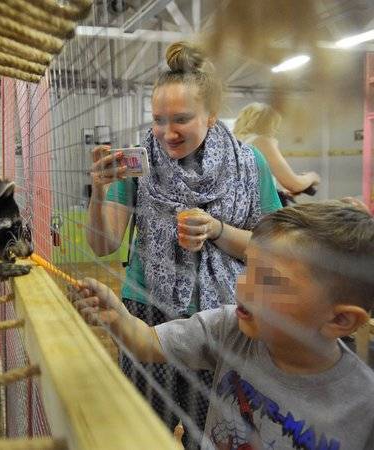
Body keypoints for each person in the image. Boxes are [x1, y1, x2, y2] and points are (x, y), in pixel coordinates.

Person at [86, 41, 281, 436]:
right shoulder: (139, 162)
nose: (166, 133)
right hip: (146, 310)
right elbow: (103, 244)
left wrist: (218, 230)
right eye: (158, 119)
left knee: (210, 433)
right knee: (141, 430)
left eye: (181, 119)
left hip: (223, 318)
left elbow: (275, 250)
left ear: (210, 116)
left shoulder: (249, 163)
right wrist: (99, 192)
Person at [75, 201, 374, 449]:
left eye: (269, 281)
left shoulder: (364, 406)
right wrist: (117, 318)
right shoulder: (229, 327)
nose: (243, 287)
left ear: (340, 319)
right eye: (248, 267)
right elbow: (147, 342)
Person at [233, 102, 321, 203]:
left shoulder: (237, 143)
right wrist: (312, 176)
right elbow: (294, 184)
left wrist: (280, 193)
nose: (275, 130)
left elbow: (250, 188)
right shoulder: (261, 141)